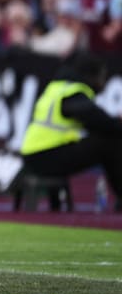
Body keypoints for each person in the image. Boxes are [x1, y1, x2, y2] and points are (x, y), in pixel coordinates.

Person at [20, 52, 122, 211]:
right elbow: (100, 122)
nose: (103, 82)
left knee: (108, 138)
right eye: (101, 76)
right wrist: (116, 123)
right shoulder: (73, 93)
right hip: (46, 156)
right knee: (111, 142)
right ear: (90, 75)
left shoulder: (58, 87)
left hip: (35, 154)